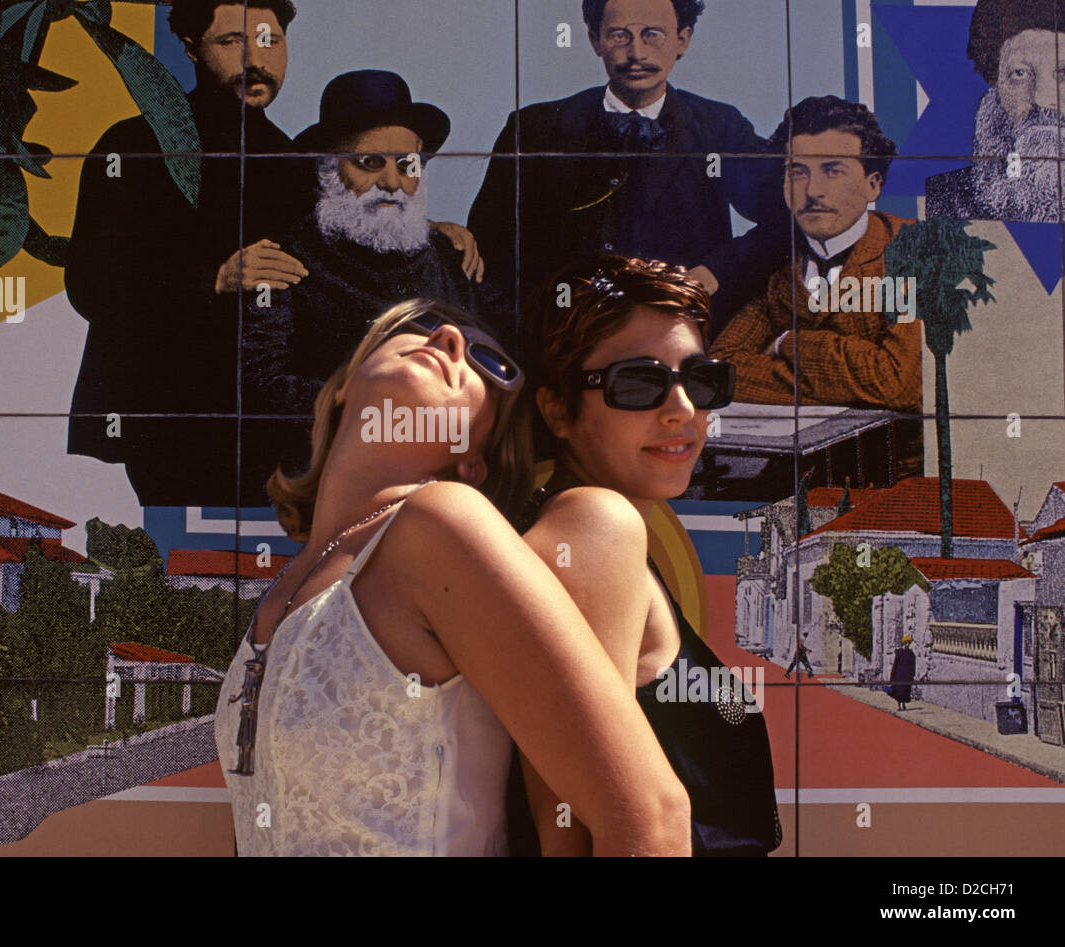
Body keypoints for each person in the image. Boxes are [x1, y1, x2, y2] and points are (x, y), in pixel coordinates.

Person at [214, 298, 692, 856]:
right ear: (343, 386)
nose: (447, 339)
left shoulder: (443, 522)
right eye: (415, 326)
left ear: (475, 460)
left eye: (489, 362)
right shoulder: (289, 583)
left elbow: (650, 819)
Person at [513, 257, 781, 856]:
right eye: (638, 381)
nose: (683, 408)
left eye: (703, 379)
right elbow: (569, 824)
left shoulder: (603, 529)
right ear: (556, 408)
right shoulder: (593, 529)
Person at [65, 0, 301, 506]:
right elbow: (89, 286)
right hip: (168, 424)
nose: (256, 59)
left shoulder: (296, 160)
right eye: (231, 41)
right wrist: (215, 278)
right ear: (191, 49)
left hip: (269, 425)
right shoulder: (133, 144)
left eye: (269, 40)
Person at [240, 70, 511, 499]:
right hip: (329, 488)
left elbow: (504, 351)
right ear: (328, 168)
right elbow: (261, 383)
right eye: (370, 163)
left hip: (446, 487)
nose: (391, 182)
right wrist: (382, 404)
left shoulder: (448, 254)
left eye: (406, 165)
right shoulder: (285, 260)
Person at [467, 0, 788, 334]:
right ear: (595, 40)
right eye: (620, 36)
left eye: (653, 35)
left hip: (679, 335)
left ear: (683, 39)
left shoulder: (721, 126)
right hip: (566, 341)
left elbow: (787, 220)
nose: (637, 53)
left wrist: (716, 270)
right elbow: (491, 252)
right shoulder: (533, 128)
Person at [710, 96, 924, 478]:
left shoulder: (907, 250)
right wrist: (841, 379)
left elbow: (897, 382)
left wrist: (786, 345)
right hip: (800, 475)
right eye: (797, 172)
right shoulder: (780, 271)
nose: (813, 191)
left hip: (893, 475)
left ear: (873, 184)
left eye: (832, 170)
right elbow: (722, 367)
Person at [926, 0, 1064, 223]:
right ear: (997, 87)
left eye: (1064, 74)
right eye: (1020, 74)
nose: (1041, 99)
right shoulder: (944, 199)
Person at [888, 635, 917, 710]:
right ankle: (899, 704)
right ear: (903, 643)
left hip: (907, 675)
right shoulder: (899, 652)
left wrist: (912, 674)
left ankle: (904, 704)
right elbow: (895, 664)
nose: (907, 644)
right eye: (906, 642)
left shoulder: (911, 653)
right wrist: (893, 675)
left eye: (908, 643)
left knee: (905, 689)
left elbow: (913, 664)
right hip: (899, 674)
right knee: (898, 689)